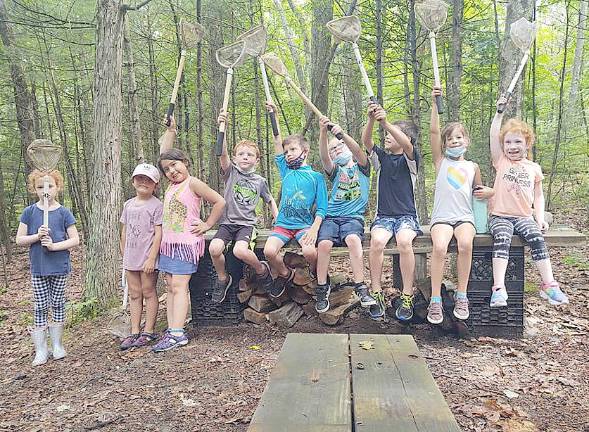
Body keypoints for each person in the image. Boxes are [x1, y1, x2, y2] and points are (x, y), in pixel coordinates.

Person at [488, 95, 568, 307]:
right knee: (503, 237)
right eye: (508, 142)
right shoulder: (501, 161)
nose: (512, 146)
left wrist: (539, 218)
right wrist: (499, 112)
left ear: (527, 144)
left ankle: (549, 285)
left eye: (517, 142)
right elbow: (493, 134)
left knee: (536, 236)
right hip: (500, 216)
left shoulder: (534, 168)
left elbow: (539, 196)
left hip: (523, 216)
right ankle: (498, 288)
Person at [154, 116, 225, 352]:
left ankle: (177, 333)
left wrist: (207, 225)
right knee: (170, 286)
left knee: (179, 286)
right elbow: (164, 153)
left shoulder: (192, 183)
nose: (172, 171)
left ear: (185, 162)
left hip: (186, 243)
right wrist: (171, 130)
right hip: (169, 244)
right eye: (167, 170)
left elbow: (219, 201)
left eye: (176, 165)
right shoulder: (171, 187)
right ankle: (175, 326)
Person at [427, 87, 494, 324]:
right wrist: (436, 103)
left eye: (459, 137)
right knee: (440, 247)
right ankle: (435, 299)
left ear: (467, 140)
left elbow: (479, 192)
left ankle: (462, 295)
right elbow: (434, 131)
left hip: (465, 216)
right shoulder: (440, 161)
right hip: (442, 217)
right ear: (445, 144)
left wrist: (491, 193)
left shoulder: (472, 166)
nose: (455, 141)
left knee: (466, 244)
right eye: (450, 138)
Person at [209, 111, 278, 303]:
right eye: (241, 154)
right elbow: (222, 154)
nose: (245, 157)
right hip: (227, 223)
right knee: (214, 248)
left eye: (250, 155)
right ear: (235, 158)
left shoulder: (260, 181)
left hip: (246, 225)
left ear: (257, 160)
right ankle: (223, 278)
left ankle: (261, 269)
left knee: (240, 251)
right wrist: (222, 126)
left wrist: (277, 217)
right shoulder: (231, 172)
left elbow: (270, 200)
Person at [361, 103, 421, 321]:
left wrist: (386, 122)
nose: (387, 135)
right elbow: (366, 142)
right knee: (377, 243)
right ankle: (376, 292)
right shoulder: (382, 159)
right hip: (384, 217)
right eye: (386, 132)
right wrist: (371, 119)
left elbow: (406, 144)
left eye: (391, 133)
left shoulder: (410, 159)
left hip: (407, 217)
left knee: (404, 242)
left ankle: (407, 295)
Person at [262, 102, 328, 298]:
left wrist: (315, 229)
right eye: (286, 152)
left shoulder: (316, 177)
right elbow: (276, 139)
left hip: (304, 226)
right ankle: (285, 274)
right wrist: (273, 115)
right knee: (269, 251)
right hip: (283, 225)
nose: (288, 154)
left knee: (310, 253)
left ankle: (316, 273)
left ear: (304, 152)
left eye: (292, 150)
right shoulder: (286, 171)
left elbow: (322, 208)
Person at [16, 169, 79, 366]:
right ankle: (41, 349)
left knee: (58, 303)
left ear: (57, 187)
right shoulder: (30, 212)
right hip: (39, 268)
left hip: (59, 266)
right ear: (34, 189)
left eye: (50, 186)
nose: (46, 191)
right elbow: (19, 240)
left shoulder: (63, 212)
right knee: (40, 306)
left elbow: (75, 239)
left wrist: (54, 246)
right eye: (41, 187)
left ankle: (58, 345)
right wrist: (36, 236)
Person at [314, 116, 375, 313]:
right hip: (331, 217)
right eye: (333, 149)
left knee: (353, 240)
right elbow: (324, 157)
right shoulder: (335, 170)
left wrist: (341, 134)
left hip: (353, 218)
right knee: (323, 244)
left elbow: (358, 150)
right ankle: (322, 287)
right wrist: (324, 132)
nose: (337, 148)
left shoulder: (362, 168)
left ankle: (361, 287)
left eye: (339, 145)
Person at [119, 163, 163, 349]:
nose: (143, 182)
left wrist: (152, 258)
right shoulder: (128, 205)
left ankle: (149, 331)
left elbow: (158, 233)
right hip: (131, 257)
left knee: (148, 291)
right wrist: (124, 253)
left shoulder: (157, 205)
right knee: (135, 293)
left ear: (155, 185)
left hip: (147, 257)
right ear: (133, 181)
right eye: (140, 178)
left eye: (148, 180)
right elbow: (124, 230)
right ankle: (134, 330)